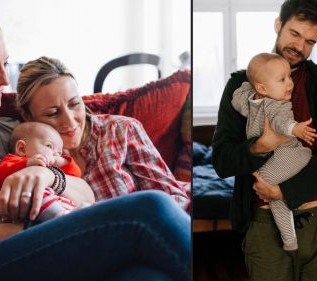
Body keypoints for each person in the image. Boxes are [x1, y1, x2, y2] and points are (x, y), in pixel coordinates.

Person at [0, 7, 190, 281]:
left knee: (148, 277)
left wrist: (46, 175)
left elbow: (85, 188)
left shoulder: (13, 129)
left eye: (5, 65)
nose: (4, 79)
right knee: (150, 207)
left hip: (36, 246)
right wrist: (26, 230)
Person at [211, 0, 317, 280]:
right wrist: (261, 146)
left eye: (310, 41)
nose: (300, 47)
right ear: (278, 25)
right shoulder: (242, 86)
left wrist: (285, 193)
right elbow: (222, 161)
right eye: (295, 34)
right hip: (264, 225)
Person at [15, 56, 191, 211]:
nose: (70, 121)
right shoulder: (27, 151)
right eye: (53, 113)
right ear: (27, 116)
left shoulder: (121, 130)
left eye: (74, 104)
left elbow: (174, 201)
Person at [231, 52, 317, 251]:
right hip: (283, 157)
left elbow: (282, 122)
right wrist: (249, 87)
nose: (290, 83)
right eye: (282, 79)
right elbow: (238, 102)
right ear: (261, 88)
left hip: (291, 153)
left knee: (270, 186)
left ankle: (289, 239)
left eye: (289, 77)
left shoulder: (277, 104)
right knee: (273, 193)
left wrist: (296, 129)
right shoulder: (255, 101)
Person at [0, 122, 84, 223]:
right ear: (21, 148)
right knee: (39, 193)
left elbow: (76, 174)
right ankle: (62, 216)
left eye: (59, 153)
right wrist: (27, 164)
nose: (55, 155)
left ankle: (76, 213)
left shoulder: (53, 165)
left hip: (61, 204)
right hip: (27, 205)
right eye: (49, 146)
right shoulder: (12, 160)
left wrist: (62, 161)